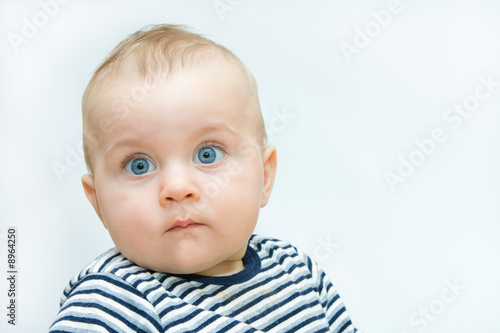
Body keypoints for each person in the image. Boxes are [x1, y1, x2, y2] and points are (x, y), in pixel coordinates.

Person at [49, 24, 360, 333]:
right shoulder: (114, 303)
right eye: (139, 165)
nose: (178, 188)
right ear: (98, 202)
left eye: (207, 154)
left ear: (265, 176)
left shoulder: (297, 271)